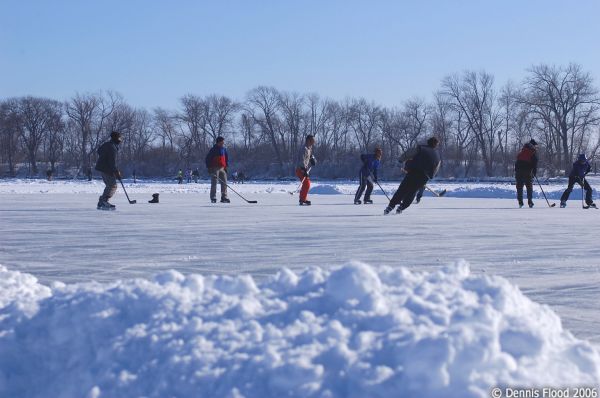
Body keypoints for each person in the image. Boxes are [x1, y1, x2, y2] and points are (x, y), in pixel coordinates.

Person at [384, 137, 441, 215]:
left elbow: (409, 153)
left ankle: (390, 207)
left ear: (428, 142)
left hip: (413, 172)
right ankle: (401, 207)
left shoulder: (421, 148)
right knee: (412, 192)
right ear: (436, 145)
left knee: (402, 189)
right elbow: (436, 168)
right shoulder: (437, 155)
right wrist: (430, 176)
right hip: (423, 177)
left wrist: (401, 160)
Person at [94, 131, 123, 210]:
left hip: (103, 168)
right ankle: (104, 201)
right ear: (116, 138)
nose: (121, 140)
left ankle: (102, 202)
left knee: (110, 185)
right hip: (107, 168)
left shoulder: (108, 145)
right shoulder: (112, 147)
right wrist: (116, 172)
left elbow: (99, 151)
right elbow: (112, 161)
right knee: (112, 185)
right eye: (120, 138)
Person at [514, 139, 538, 208]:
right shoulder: (532, 152)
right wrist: (534, 173)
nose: (536, 147)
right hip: (527, 171)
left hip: (518, 171)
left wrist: (516, 170)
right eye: (535, 145)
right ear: (533, 145)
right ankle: (530, 202)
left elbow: (517, 161)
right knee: (529, 186)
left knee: (519, 186)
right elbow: (534, 164)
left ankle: (520, 202)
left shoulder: (522, 150)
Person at [205, 136, 230, 203]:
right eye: (222, 142)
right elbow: (208, 159)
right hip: (214, 168)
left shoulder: (224, 149)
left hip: (222, 168)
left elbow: (226, 158)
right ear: (218, 142)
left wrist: (226, 167)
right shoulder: (213, 149)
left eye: (223, 142)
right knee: (214, 183)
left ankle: (224, 197)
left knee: (224, 183)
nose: (223, 143)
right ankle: (213, 197)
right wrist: (209, 168)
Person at [296, 135, 316, 206]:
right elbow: (302, 159)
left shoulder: (309, 148)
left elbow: (309, 156)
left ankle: (302, 198)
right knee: (307, 184)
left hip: (304, 169)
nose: (314, 142)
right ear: (308, 140)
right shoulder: (304, 149)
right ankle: (302, 199)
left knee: (306, 184)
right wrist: (303, 169)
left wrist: (312, 159)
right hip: (300, 169)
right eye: (312, 140)